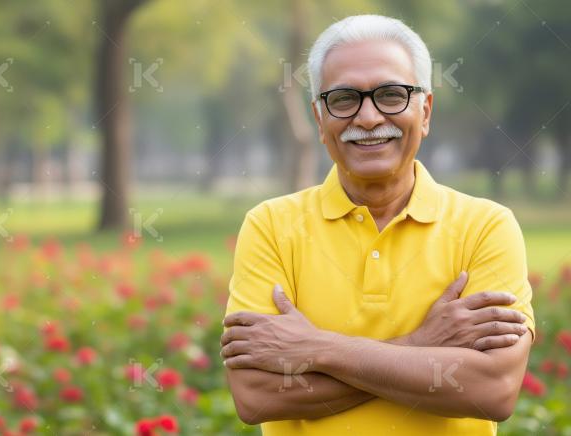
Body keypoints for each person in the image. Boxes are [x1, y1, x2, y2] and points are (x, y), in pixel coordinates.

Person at [221, 14, 534, 436]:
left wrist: (316, 348)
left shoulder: (486, 227)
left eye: (391, 95)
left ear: (425, 111)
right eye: (344, 99)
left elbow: (491, 390)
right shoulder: (271, 227)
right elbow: (256, 396)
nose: (367, 118)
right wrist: (421, 346)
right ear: (319, 119)